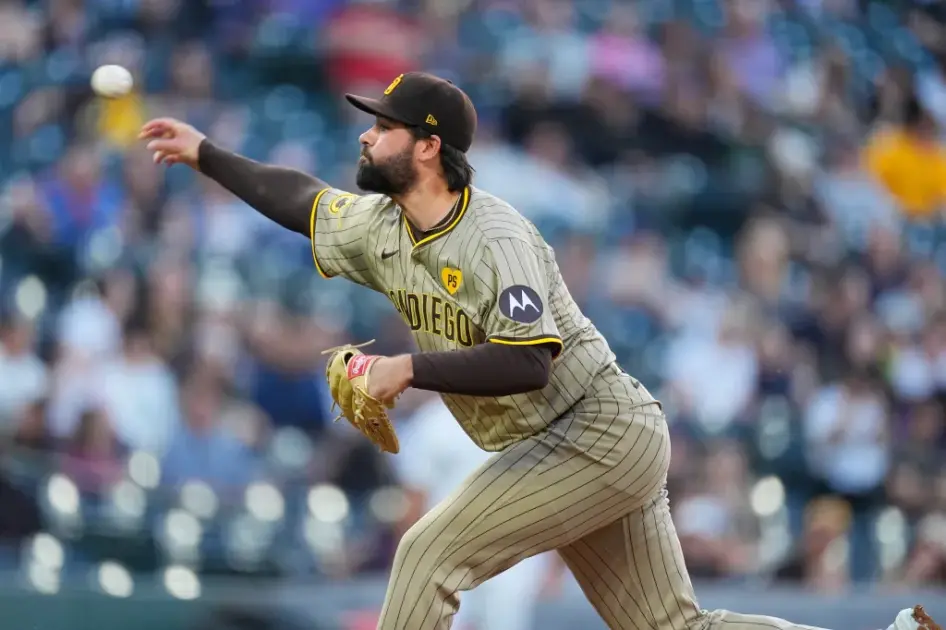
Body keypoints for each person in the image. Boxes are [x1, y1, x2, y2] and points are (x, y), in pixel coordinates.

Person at [140, 71, 940, 630]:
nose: (364, 133)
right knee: (672, 628)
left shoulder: (496, 235)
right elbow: (301, 199)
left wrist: (407, 367)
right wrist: (207, 153)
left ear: (426, 147)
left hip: (598, 428)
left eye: (380, 125)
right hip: (560, 443)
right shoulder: (382, 227)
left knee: (427, 553)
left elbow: (529, 360)